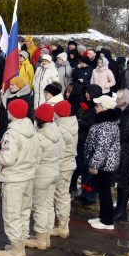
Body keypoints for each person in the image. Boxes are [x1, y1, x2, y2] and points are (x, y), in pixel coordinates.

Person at [0, 99, 39, 256]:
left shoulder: (12, 134)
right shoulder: (31, 130)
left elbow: (8, 159)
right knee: (24, 212)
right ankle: (20, 245)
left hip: (14, 179)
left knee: (12, 214)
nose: (7, 112)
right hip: (27, 177)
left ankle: (16, 250)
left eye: (9, 110)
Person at [25, 103, 61, 250]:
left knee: (39, 207)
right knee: (47, 205)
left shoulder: (39, 137)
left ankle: (40, 238)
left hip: (41, 175)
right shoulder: (56, 132)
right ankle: (45, 236)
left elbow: (34, 159)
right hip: (54, 172)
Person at [84, 94, 122, 230]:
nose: (95, 107)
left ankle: (107, 221)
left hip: (103, 165)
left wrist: (94, 164)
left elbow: (102, 148)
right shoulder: (105, 122)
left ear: (104, 108)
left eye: (98, 105)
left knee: (105, 192)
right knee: (102, 191)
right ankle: (103, 216)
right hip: (103, 163)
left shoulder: (107, 126)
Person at [51, 100, 78, 238]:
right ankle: (62, 224)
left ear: (58, 114)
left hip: (62, 166)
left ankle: (62, 226)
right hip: (68, 164)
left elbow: (58, 151)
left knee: (60, 195)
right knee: (63, 195)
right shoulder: (71, 123)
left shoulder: (61, 129)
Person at [0, 76, 34, 147]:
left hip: (13, 129)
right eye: (10, 84)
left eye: (13, 85)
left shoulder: (25, 99)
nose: (10, 86)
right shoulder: (7, 94)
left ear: (19, 86)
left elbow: (27, 116)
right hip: (2, 126)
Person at [115, 89, 129, 222]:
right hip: (124, 150)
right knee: (122, 180)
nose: (117, 101)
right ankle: (120, 209)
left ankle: (121, 211)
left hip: (126, 151)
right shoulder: (125, 111)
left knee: (123, 180)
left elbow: (123, 134)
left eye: (118, 99)